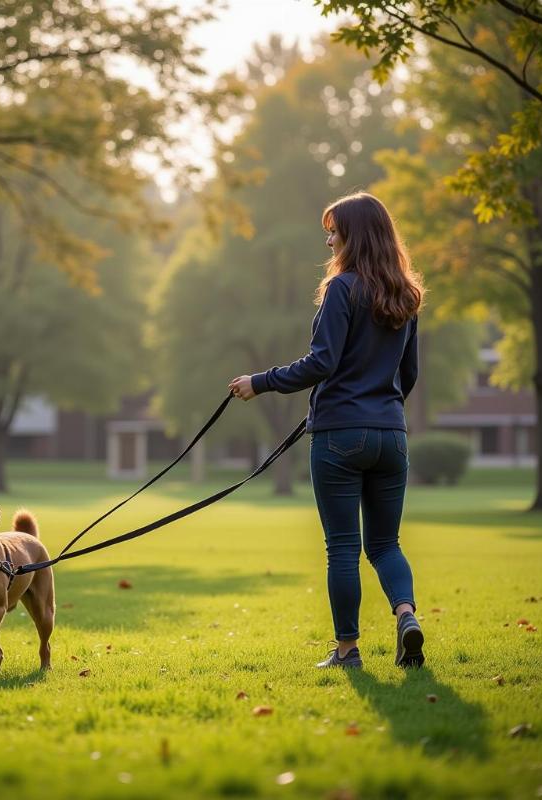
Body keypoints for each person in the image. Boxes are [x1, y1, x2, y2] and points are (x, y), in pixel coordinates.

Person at [228, 192, 425, 669]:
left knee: (342, 545)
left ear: (354, 235)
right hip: (391, 435)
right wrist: (380, 401)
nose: (329, 237)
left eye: (334, 229)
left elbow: (322, 362)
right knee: (385, 544)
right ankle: (406, 616)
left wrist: (260, 382)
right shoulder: (406, 295)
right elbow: (409, 373)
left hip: (340, 437)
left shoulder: (342, 289)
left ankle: (347, 650)